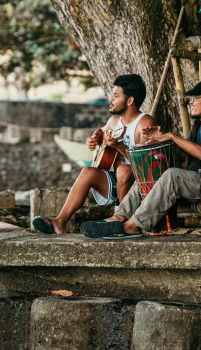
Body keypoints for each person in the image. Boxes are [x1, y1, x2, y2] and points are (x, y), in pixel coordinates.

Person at [81, 78, 201, 238]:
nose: (190, 102)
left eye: (195, 98)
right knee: (151, 171)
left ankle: (133, 225)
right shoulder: (199, 126)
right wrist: (160, 139)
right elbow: (184, 156)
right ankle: (119, 216)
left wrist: (172, 136)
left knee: (172, 175)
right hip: (195, 182)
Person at [32, 74, 157, 234]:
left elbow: (147, 165)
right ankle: (59, 222)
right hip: (116, 183)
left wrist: (119, 146)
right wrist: (95, 137)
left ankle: (125, 224)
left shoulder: (145, 123)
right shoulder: (114, 121)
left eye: (116, 95)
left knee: (124, 170)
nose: (111, 99)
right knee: (87, 172)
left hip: (138, 189)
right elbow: (101, 130)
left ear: (130, 100)